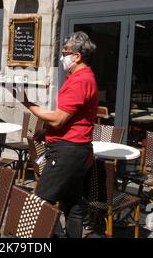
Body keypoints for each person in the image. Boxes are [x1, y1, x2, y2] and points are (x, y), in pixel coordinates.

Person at [13, 31, 98, 238]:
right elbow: (72, 118)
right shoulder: (82, 77)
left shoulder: (80, 80)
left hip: (67, 152)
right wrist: (47, 131)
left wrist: (25, 101)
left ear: (77, 56)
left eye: (65, 52)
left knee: (41, 202)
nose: (62, 57)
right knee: (73, 205)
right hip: (78, 150)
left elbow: (59, 118)